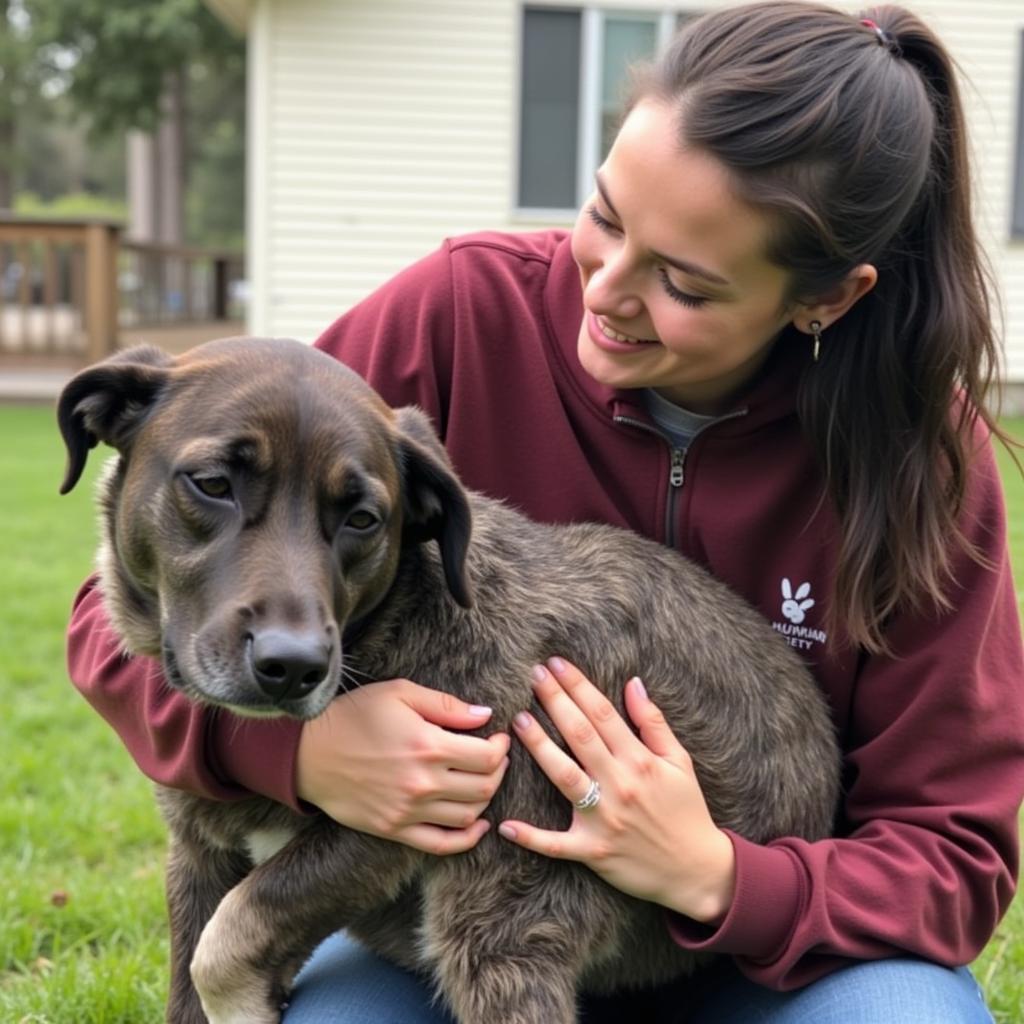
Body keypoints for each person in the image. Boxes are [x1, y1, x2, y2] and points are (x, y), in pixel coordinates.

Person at [67, 2, 1024, 1021]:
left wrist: (717, 875)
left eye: (684, 285)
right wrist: (294, 752)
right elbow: (116, 623)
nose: (605, 290)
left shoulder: (915, 458)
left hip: (773, 965)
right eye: (606, 216)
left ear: (823, 299)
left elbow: (951, 856)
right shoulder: (457, 311)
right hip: (441, 941)